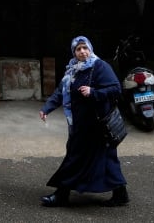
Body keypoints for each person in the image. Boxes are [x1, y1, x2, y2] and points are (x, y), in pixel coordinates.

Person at [39, 36, 128, 208]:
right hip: (81, 124)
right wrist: (46, 108)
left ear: (90, 49)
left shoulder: (99, 66)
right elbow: (60, 92)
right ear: (74, 52)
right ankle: (120, 193)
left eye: (84, 48)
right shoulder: (72, 70)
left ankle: (61, 195)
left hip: (96, 125)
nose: (82, 52)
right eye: (78, 49)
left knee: (75, 158)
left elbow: (116, 88)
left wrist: (93, 92)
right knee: (106, 159)